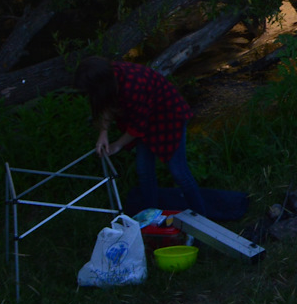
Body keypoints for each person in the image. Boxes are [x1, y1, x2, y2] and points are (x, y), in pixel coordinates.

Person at [74, 56, 208, 215]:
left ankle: (201, 216)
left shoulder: (132, 86)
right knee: (144, 170)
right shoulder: (109, 80)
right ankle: (150, 215)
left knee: (179, 172)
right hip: (147, 117)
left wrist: (118, 144)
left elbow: (137, 128)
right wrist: (103, 133)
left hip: (169, 116)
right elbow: (106, 105)